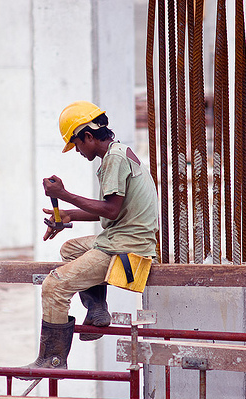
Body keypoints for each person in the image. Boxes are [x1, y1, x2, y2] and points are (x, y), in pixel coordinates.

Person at [26, 100, 159, 372]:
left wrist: (63, 195)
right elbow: (114, 210)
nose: (77, 150)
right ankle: (97, 310)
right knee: (70, 249)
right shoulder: (118, 154)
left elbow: (110, 210)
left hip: (126, 248)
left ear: (88, 136)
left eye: (76, 144)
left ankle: (52, 359)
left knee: (55, 286)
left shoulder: (114, 158)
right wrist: (69, 214)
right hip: (125, 238)